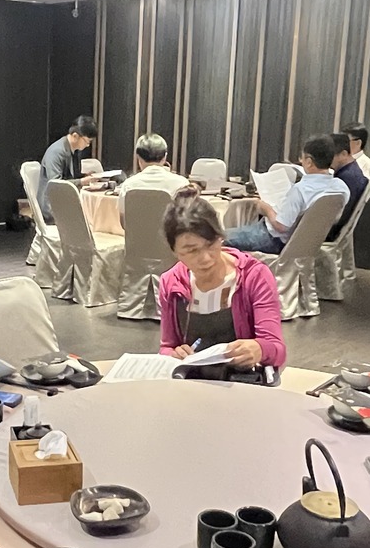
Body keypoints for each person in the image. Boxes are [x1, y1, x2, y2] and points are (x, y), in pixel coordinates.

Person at [156, 191, 286, 372]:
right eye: (192, 251)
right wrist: (173, 354)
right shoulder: (171, 282)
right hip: (192, 381)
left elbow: (277, 349)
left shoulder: (253, 276)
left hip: (241, 381)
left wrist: (259, 349)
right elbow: (167, 347)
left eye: (211, 244)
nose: (205, 258)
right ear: (174, 251)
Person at [224, 134, 348, 254]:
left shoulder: (300, 190)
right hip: (310, 243)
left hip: (275, 240)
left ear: (309, 162)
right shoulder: (341, 187)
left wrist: (266, 209)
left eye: (302, 158)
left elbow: (281, 226)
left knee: (219, 238)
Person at [37, 114, 97, 222]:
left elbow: (71, 176)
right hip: (51, 208)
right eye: (87, 141)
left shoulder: (74, 150)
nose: (88, 145)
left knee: (93, 215)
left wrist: (85, 176)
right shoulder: (56, 152)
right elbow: (56, 185)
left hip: (64, 202)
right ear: (75, 136)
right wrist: (82, 181)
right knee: (90, 218)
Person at [117, 132, 189, 197]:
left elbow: (122, 208)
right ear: (165, 157)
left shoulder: (128, 185)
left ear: (138, 157)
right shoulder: (182, 184)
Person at [328, 131, 368, 240]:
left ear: (344, 154)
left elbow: (337, 217)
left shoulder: (346, 178)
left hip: (329, 234)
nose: (327, 160)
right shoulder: (352, 172)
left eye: (330, 156)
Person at [341, 122, 370, 191]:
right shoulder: (341, 158)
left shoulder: (367, 167)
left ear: (358, 143)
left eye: (346, 141)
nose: (342, 144)